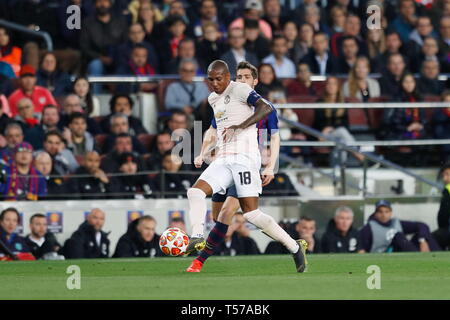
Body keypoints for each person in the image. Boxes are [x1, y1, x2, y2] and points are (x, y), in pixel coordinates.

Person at [185, 60, 307, 273]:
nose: (214, 83)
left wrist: (270, 165)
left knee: (250, 214)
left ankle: (294, 247)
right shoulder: (214, 99)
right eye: (210, 79)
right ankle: (196, 237)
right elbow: (216, 131)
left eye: (218, 78)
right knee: (195, 193)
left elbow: (267, 112)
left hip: (246, 159)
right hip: (223, 158)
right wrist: (203, 152)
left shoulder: (242, 91)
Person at [80, 0, 128, 93]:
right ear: (94, 5)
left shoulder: (120, 22)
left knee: (124, 65)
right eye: (99, 2)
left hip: (117, 58)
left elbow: (125, 44)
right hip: (95, 59)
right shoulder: (87, 23)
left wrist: (115, 57)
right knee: (96, 65)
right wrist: (100, 58)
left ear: (110, 4)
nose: (102, 4)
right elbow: (84, 47)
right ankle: (95, 99)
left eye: (105, 1)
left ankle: (122, 97)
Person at [360, 200, 441, 253]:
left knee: (424, 236)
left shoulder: (396, 223)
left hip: (404, 250)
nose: (384, 215)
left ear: (391, 213)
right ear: (375, 213)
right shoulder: (369, 228)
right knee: (398, 236)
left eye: (386, 211)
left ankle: (438, 260)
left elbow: (422, 225)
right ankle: (417, 257)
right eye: (380, 212)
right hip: (386, 254)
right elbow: (361, 247)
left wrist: (423, 241)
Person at [432, 163, 450, 250]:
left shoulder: (448, 188)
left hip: (447, 228)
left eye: (447, 174)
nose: (444, 178)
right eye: (443, 175)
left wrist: (442, 227)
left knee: (431, 239)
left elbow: (444, 212)